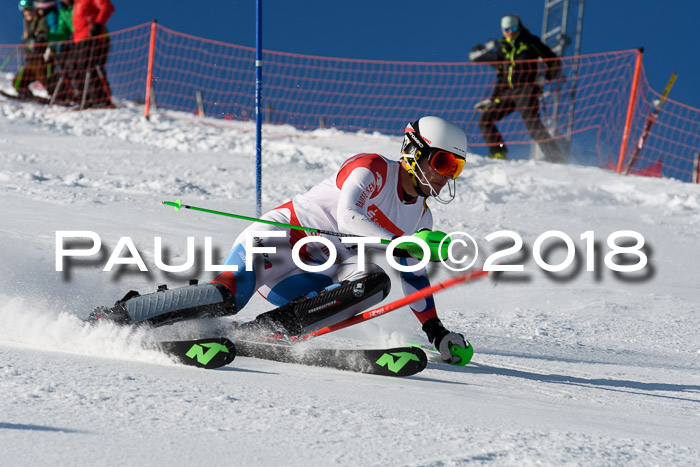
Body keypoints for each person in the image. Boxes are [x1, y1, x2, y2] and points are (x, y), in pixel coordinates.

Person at [88, 116, 472, 364]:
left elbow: (414, 276)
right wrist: (397, 242)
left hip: (316, 269)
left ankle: (265, 331)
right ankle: (120, 316)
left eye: (455, 167)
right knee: (227, 298)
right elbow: (348, 215)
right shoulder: (371, 167)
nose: (446, 176)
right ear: (413, 152)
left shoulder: (422, 216)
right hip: (282, 236)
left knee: (375, 284)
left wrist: (435, 331)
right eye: (441, 163)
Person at [475, 14, 564, 162]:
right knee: (485, 119)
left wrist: (546, 77)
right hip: (507, 92)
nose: (510, 32)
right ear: (503, 30)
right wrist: (492, 100)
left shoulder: (529, 41)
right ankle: (499, 152)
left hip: (526, 90)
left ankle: (556, 157)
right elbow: (501, 77)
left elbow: (553, 60)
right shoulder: (503, 49)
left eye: (514, 28)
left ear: (519, 27)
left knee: (533, 126)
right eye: (507, 29)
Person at [72, 0, 114, 108]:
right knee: (79, 69)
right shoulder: (76, 3)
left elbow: (107, 7)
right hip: (79, 40)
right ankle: (86, 99)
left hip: (91, 37)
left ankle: (101, 98)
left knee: (91, 67)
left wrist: (98, 24)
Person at [12, 0, 53, 100]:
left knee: (47, 81)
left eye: (29, 10)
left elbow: (44, 32)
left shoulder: (40, 21)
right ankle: (26, 94)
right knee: (18, 81)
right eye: (25, 11)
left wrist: (39, 35)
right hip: (31, 61)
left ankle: (61, 96)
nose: (28, 13)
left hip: (41, 60)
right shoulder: (26, 25)